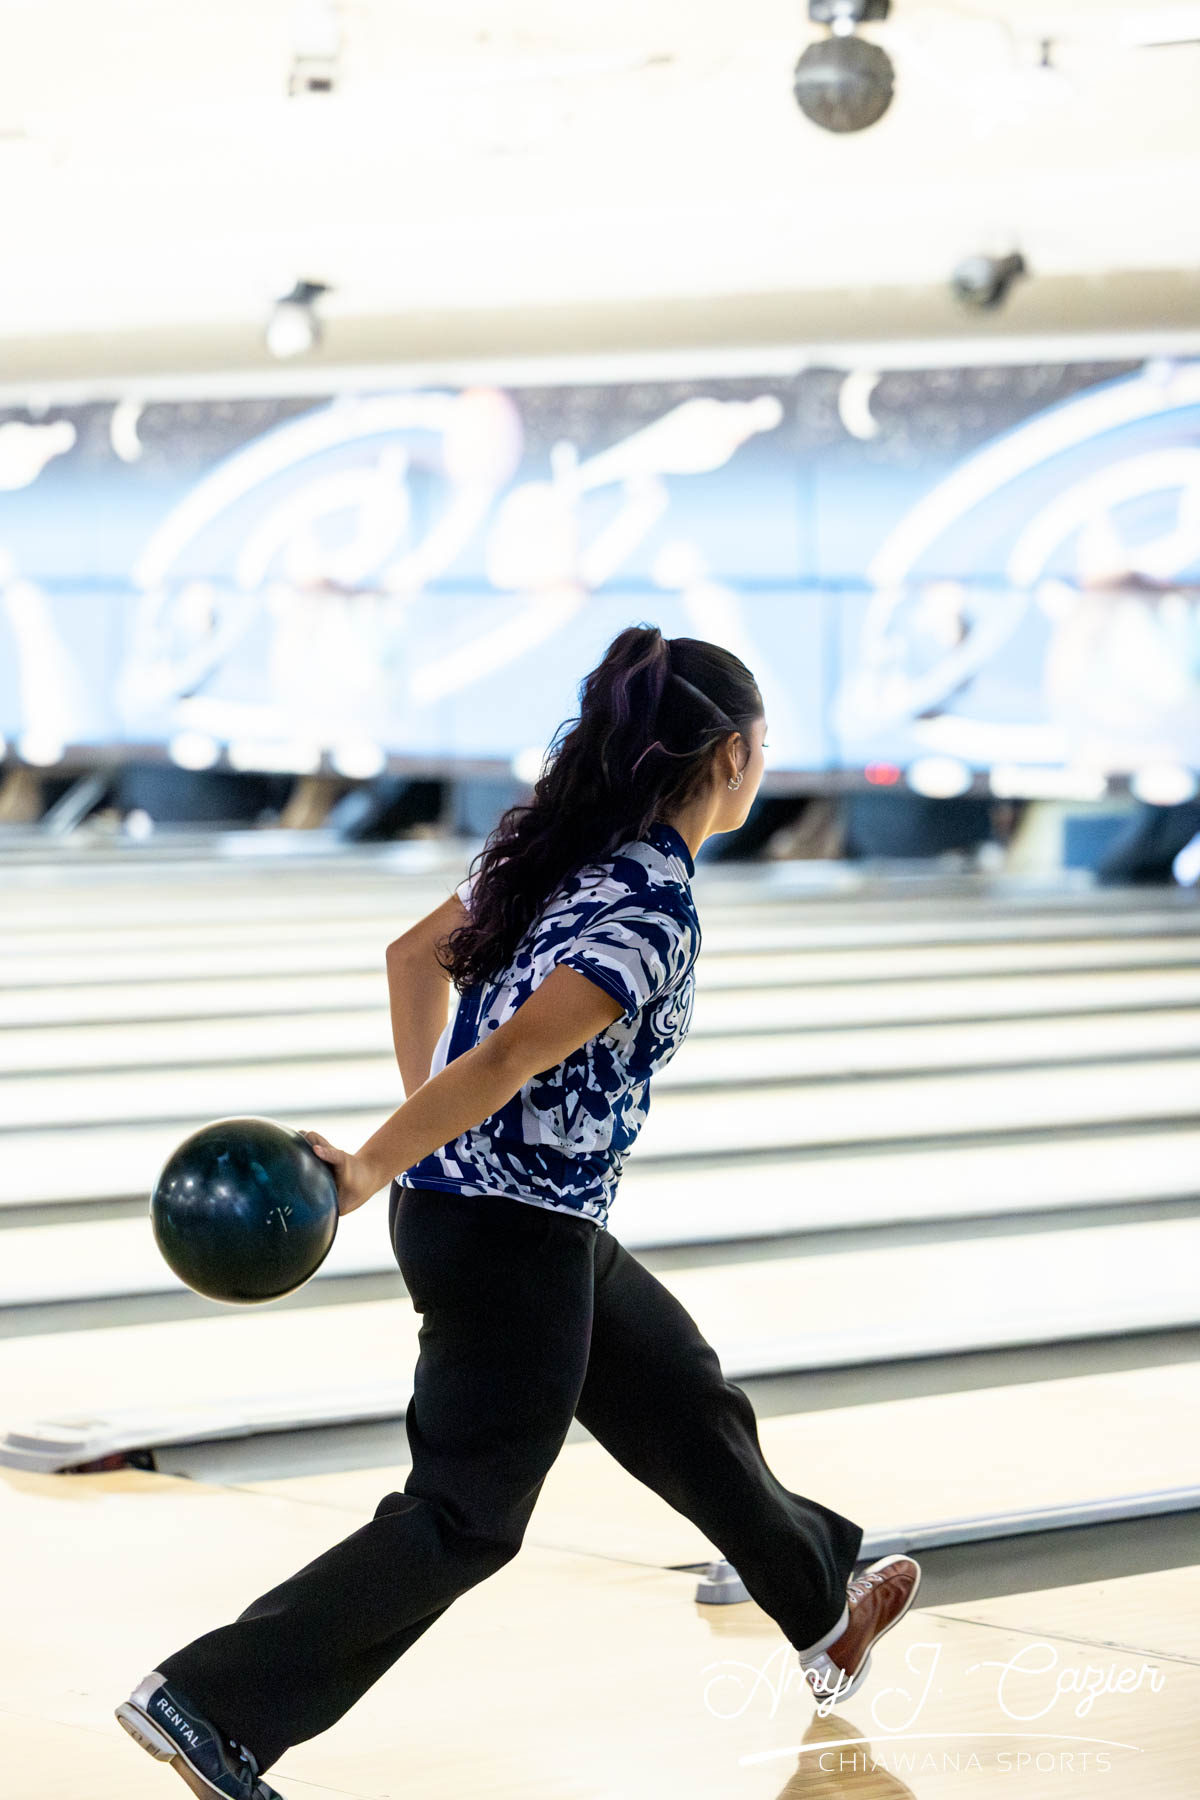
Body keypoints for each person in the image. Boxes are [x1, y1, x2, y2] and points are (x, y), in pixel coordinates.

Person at [115, 623, 920, 1798]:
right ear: (735, 756)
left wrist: (436, 1143)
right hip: (513, 1240)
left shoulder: (551, 846)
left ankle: (823, 1608)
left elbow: (410, 961)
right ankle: (211, 1702)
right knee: (465, 1515)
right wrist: (378, 1164)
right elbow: (503, 1058)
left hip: (512, 1221)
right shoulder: (653, 909)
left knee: (682, 1396)